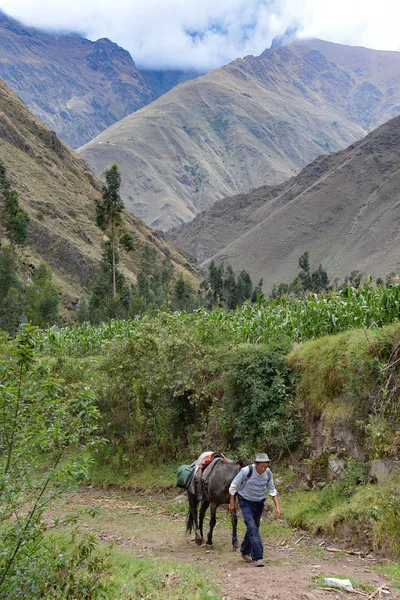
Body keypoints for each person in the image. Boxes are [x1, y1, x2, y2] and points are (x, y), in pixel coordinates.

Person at [228, 452, 281, 567]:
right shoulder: (246, 471)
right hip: (245, 502)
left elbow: (272, 490)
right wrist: (232, 503)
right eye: (261, 466)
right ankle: (258, 557)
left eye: (265, 466)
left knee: (253, 528)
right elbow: (233, 487)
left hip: (259, 503)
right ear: (256, 464)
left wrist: (277, 507)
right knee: (252, 526)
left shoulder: (268, 473)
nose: (263, 469)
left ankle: (244, 551)